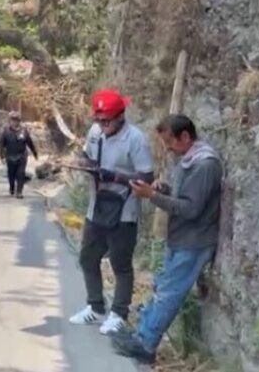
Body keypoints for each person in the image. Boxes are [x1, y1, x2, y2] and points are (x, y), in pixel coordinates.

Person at [112, 114, 223, 364]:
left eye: (170, 142)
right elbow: (184, 197)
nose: (168, 149)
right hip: (181, 238)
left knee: (169, 293)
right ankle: (142, 335)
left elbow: (191, 209)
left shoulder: (205, 165)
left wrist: (152, 195)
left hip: (193, 241)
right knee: (162, 289)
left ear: (185, 136)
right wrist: (164, 190)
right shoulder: (190, 160)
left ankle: (146, 345)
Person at [69, 89, 155, 336]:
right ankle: (95, 307)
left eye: (106, 121)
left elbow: (146, 177)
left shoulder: (135, 139)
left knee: (120, 263)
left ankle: (118, 314)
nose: (101, 125)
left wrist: (115, 176)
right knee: (87, 257)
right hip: (96, 206)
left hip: (124, 210)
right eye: (98, 120)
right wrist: (85, 164)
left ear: (120, 116)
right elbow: (87, 155)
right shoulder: (96, 132)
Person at [0, 111, 38, 199]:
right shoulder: (6, 131)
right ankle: (12, 187)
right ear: (10, 121)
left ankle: (19, 192)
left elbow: (29, 142)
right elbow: (1, 144)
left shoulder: (23, 131)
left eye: (16, 120)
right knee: (11, 174)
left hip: (21, 156)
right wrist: (2, 157)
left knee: (20, 173)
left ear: (19, 121)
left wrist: (35, 153)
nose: (14, 122)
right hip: (10, 156)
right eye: (13, 120)